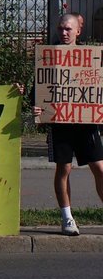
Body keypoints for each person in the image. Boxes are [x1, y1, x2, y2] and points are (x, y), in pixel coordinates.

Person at [32, 13, 103, 236]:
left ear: (77, 31)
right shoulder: (48, 56)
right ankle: (67, 217)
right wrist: (36, 107)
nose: (63, 33)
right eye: (61, 28)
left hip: (86, 122)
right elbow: (39, 90)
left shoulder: (91, 56)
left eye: (68, 29)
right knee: (64, 168)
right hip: (60, 123)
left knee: (100, 168)